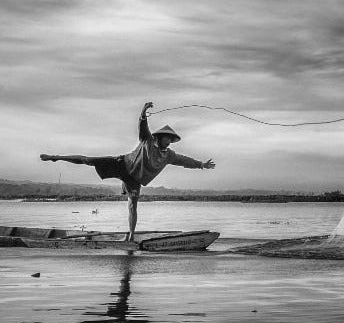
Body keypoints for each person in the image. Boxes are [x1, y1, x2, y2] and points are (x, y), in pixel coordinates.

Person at [40, 102, 215, 241]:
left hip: (134, 178)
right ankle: (56, 156)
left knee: (133, 204)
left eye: (171, 139)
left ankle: (130, 235)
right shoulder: (147, 141)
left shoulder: (169, 155)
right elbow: (143, 128)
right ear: (159, 137)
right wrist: (143, 113)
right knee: (88, 160)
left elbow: (185, 161)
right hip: (123, 164)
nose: (169, 141)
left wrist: (201, 165)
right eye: (167, 138)